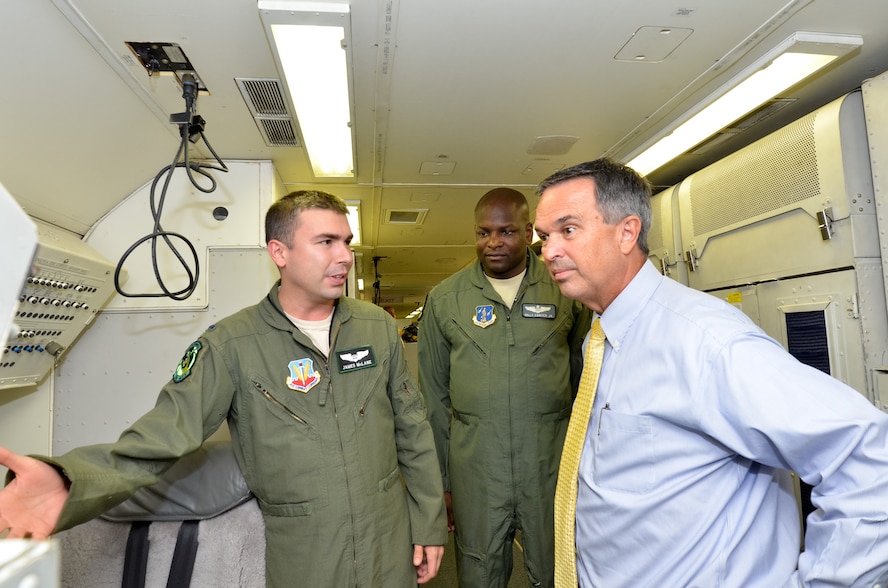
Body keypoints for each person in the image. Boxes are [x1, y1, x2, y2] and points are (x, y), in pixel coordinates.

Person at [0, 190, 447, 587]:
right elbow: (163, 435)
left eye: (346, 242)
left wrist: (428, 524)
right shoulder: (231, 344)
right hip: (306, 552)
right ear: (280, 251)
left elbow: (413, 429)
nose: (344, 256)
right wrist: (70, 480)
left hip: (388, 538)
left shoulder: (376, 327)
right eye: (326, 242)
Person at [533, 158, 888, 587]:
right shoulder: (602, 336)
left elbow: (870, 462)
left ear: (626, 232)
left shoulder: (705, 342)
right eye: (545, 236)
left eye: (567, 230)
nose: (549, 251)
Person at [418, 187, 591, 587]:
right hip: (476, 472)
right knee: (479, 571)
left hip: (549, 466)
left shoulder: (565, 290)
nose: (493, 242)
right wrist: (440, 485)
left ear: (529, 232)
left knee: (558, 570)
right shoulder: (446, 300)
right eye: (483, 232)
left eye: (507, 231)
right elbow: (432, 401)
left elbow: (587, 387)